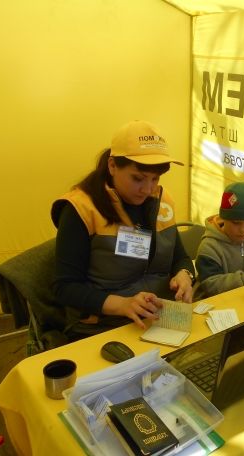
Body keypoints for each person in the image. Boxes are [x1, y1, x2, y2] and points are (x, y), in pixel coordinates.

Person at [51, 120, 195, 341]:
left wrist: (184, 275)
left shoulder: (160, 200)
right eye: (137, 178)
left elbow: (180, 257)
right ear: (112, 166)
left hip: (160, 316)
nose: (147, 189)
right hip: (105, 324)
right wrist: (123, 304)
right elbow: (65, 288)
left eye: (155, 179)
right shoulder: (81, 209)